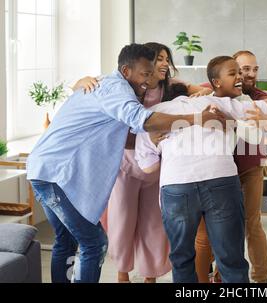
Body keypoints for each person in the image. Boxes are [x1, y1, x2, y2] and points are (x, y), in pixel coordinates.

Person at [26, 43, 225, 283]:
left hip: (45, 169)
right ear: (126, 70)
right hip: (55, 174)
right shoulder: (115, 89)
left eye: (152, 73)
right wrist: (197, 119)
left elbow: (128, 131)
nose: (150, 80)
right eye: (145, 73)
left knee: (67, 240)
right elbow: (143, 120)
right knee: (94, 242)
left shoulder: (115, 86)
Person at [73, 42, 212, 283]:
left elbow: (205, 91)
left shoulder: (173, 88)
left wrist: (199, 93)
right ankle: (122, 274)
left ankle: (150, 276)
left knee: (154, 224)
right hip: (124, 163)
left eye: (167, 59)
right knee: (122, 220)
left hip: (156, 166)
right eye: (159, 58)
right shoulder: (126, 85)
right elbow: (85, 86)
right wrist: (80, 81)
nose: (164, 63)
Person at [135, 56, 267, 283]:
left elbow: (149, 166)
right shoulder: (215, 103)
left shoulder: (152, 117)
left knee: (182, 258)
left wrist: (158, 143)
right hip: (220, 179)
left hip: (177, 185)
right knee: (230, 256)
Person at [194, 50, 267, 283]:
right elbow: (187, 90)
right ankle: (213, 277)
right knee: (210, 232)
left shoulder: (257, 95)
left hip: (249, 168)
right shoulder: (211, 88)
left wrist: (266, 117)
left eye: (254, 69)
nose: (248, 75)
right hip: (215, 171)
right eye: (241, 70)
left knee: (252, 224)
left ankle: (261, 279)